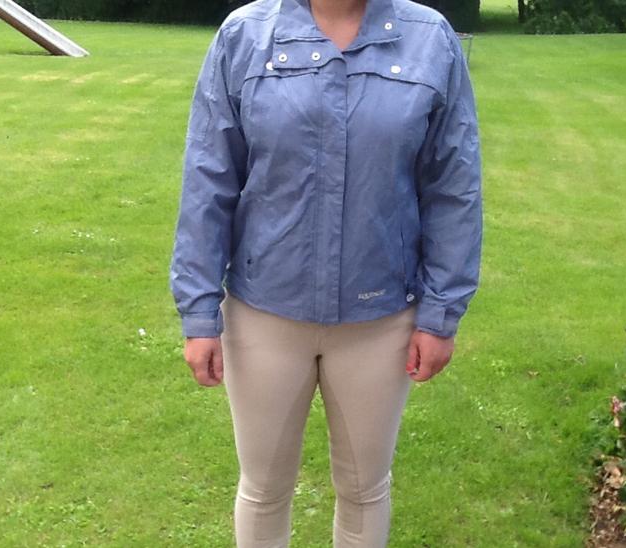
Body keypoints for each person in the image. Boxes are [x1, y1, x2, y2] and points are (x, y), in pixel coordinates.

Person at [169, 0, 483, 545]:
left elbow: (453, 187)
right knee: (264, 489)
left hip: (380, 319)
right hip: (264, 314)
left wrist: (441, 313)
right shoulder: (245, 36)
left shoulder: (430, 40)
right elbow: (209, 179)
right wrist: (199, 312)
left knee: (365, 489)